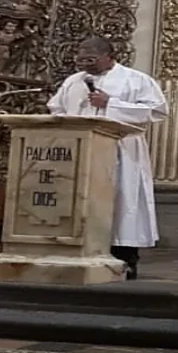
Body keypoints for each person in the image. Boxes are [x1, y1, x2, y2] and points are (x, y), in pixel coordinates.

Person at [47, 37, 168, 279]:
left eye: (91, 60)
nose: (85, 65)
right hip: (80, 150)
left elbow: (156, 110)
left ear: (110, 56)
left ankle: (124, 259)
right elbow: (56, 108)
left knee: (121, 203)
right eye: (81, 59)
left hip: (120, 151)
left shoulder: (136, 79)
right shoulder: (73, 81)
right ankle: (77, 253)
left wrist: (110, 103)